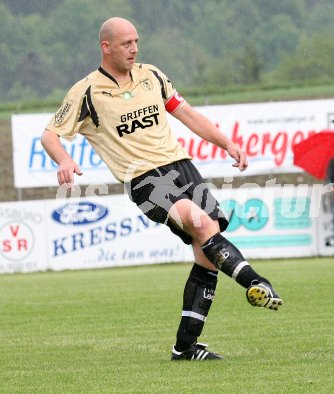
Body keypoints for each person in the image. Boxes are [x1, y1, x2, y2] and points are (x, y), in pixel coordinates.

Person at [41, 17, 282, 361]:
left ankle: (185, 347)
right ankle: (255, 282)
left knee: (207, 249)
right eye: (126, 43)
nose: (134, 48)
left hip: (182, 166)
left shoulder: (152, 75)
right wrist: (63, 159)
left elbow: (188, 115)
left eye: (136, 41)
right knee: (198, 222)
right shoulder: (86, 92)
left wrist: (227, 143)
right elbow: (50, 135)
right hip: (144, 179)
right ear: (105, 47)